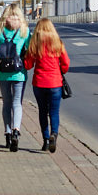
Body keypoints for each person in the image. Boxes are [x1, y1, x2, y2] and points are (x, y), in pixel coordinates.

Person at [24, 18, 70, 153]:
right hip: (55, 83)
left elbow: (28, 65)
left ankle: (45, 140)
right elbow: (66, 63)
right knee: (54, 112)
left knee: (43, 112)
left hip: (39, 83)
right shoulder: (57, 43)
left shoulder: (35, 43)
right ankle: (53, 135)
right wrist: (60, 70)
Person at [0, 3, 29, 151]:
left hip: (2, 73)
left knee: (6, 103)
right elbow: (29, 50)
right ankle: (16, 130)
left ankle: (7, 131)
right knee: (17, 103)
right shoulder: (24, 30)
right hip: (19, 72)